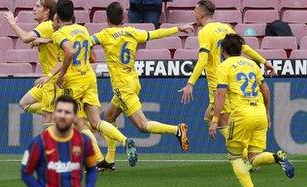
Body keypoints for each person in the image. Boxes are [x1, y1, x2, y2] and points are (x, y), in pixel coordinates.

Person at [89, 1, 191, 172]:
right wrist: (177, 29)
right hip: (133, 81)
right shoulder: (132, 31)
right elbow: (155, 34)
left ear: (107, 19)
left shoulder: (105, 34)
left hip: (123, 87)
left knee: (143, 126)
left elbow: (86, 41)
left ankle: (177, 130)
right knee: (108, 118)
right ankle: (110, 160)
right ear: (123, 17)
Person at [37, 0, 138, 168]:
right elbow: (91, 56)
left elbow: (69, 52)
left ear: (58, 17)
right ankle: (124, 140)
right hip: (90, 78)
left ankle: (95, 160)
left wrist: (60, 76)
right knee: (95, 121)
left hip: (74, 81)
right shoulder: (83, 29)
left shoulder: (59, 34)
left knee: (79, 123)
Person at [210, 34, 294, 187]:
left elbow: (220, 94)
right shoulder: (251, 64)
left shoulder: (224, 66)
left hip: (241, 115)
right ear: (240, 49)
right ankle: (277, 157)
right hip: (259, 113)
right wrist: (267, 112)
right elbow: (266, 90)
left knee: (235, 157)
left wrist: (215, 119)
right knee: (254, 158)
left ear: (222, 50)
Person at [179, 0, 276, 139]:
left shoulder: (204, 32)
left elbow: (203, 59)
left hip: (217, 83)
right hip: (231, 78)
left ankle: (241, 153)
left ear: (200, 13)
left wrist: (190, 83)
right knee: (210, 117)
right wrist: (265, 61)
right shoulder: (226, 27)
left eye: (195, 11)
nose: (194, 14)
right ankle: (242, 148)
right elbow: (243, 47)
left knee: (221, 122)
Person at [4, 0, 58, 127]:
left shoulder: (46, 25)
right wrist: (43, 40)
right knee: (25, 103)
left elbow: (25, 38)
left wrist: (13, 24)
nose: (34, 8)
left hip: (54, 79)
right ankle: (58, 114)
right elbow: (54, 40)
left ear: (47, 11)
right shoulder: (50, 27)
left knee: (47, 121)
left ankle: (58, 115)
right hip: (47, 80)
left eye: (38, 6)